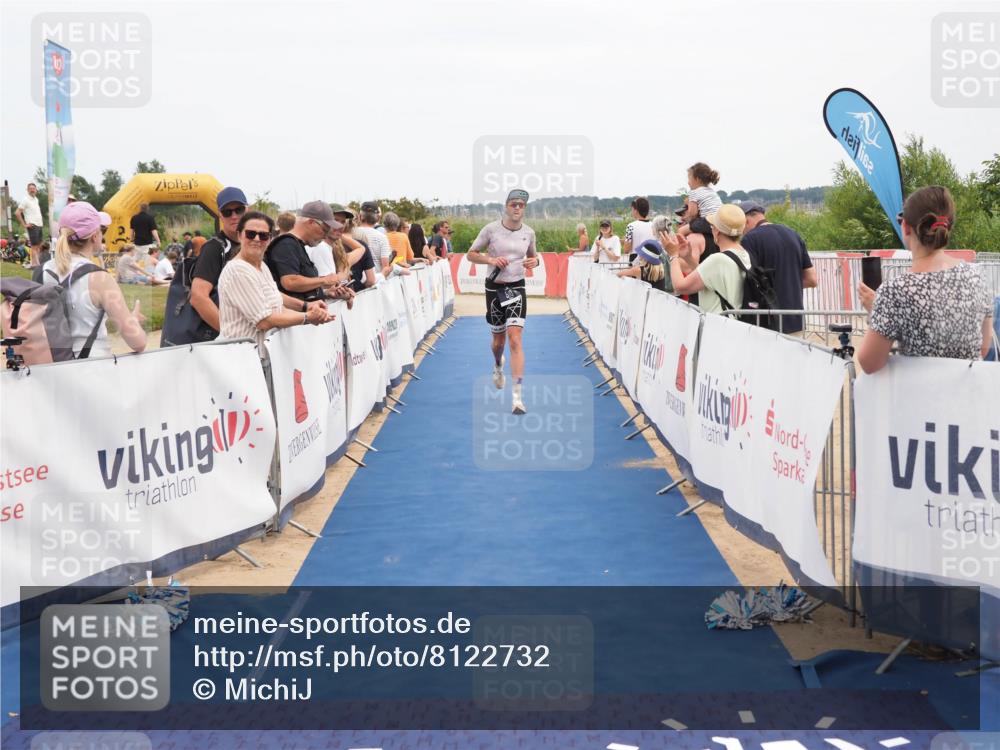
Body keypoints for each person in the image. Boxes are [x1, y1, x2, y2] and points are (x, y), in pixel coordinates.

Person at [856, 186, 994, 374]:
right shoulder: (978, 276)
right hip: (967, 398)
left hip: (922, 399)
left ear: (905, 226)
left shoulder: (895, 291)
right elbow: (983, 347)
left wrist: (877, 311)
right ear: (948, 227)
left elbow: (869, 363)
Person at [466, 188, 539, 415]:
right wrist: (491, 259)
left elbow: (534, 257)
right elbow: (471, 253)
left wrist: (534, 263)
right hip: (494, 287)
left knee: (515, 338)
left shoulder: (529, 232)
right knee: (498, 342)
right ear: (506, 206)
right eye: (514, 204)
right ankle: (498, 365)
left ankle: (517, 397)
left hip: (516, 287)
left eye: (521, 205)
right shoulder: (491, 229)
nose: (518, 208)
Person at [41, 201, 146, 357]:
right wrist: (134, 321)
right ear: (95, 236)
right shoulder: (99, 278)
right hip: (92, 368)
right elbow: (138, 343)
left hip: (51, 367)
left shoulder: (42, 271)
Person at [218, 211, 335, 347]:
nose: (256, 239)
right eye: (250, 234)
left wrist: (307, 307)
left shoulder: (261, 266)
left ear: (269, 239)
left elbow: (277, 304)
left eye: (263, 235)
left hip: (261, 355)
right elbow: (264, 321)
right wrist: (307, 317)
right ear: (239, 236)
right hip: (242, 358)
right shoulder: (238, 270)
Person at [739, 201, 817, 334]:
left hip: (768, 325)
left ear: (745, 220)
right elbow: (812, 280)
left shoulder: (750, 240)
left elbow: (748, 282)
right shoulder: (794, 234)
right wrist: (787, 284)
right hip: (796, 321)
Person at [662, 204, 751, 314]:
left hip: (716, 324)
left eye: (712, 227)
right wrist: (688, 257)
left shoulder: (718, 259)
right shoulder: (743, 254)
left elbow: (680, 287)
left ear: (717, 232)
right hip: (733, 323)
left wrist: (673, 255)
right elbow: (706, 275)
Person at [265, 201, 354, 303]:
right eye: (324, 230)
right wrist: (324, 280)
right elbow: (290, 282)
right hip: (295, 315)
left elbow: (299, 291)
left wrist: (326, 293)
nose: (325, 236)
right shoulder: (287, 244)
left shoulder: (297, 244)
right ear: (311, 222)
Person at [677, 162, 723, 240]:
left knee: (681, 231)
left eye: (689, 179)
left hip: (707, 221)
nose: (688, 182)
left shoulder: (694, 192)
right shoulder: (711, 191)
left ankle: (680, 248)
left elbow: (693, 213)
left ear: (697, 179)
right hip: (720, 221)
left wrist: (689, 222)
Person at [354, 206, 394, 277]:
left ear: (360, 217)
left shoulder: (352, 234)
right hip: (376, 281)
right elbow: (385, 266)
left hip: (356, 281)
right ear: (377, 218)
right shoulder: (382, 237)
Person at [15, 182, 44, 267]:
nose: (32, 190)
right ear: (27, 190)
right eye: (30, 188)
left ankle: (34, 264)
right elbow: (17, 213)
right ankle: (37, 265)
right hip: (32, 225)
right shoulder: (25, 200)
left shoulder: (36, 199)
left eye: (33, 188)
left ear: (36, 190)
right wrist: (24, 225)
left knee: (38, 246)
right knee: (34, 246)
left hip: (39, 225)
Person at [622, 197, 653, 261]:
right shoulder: (654, 225)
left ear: (636, 210)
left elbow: (626, 249)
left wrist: (624, 242)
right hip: (652, 260)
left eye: (632, 209)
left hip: (636, 260)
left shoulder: (631, 226)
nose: (632, 211)